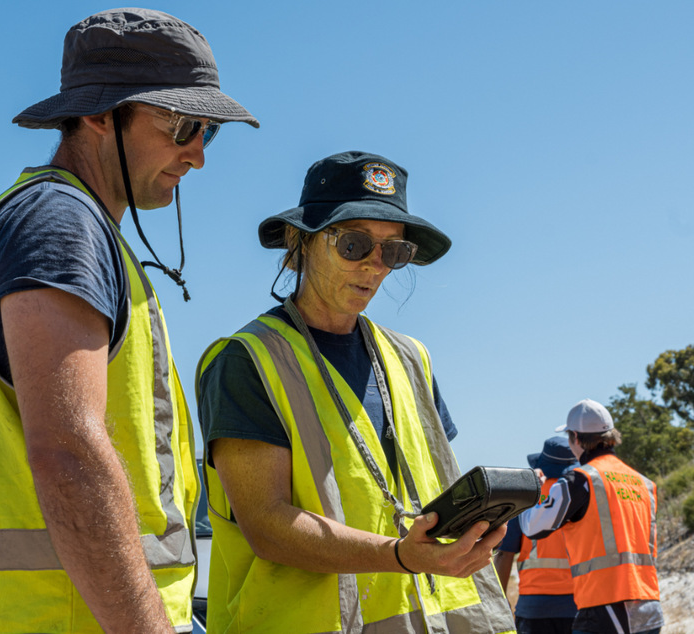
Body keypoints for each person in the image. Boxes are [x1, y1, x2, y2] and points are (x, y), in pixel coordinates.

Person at [0, 8, 258, 633]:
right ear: (100, 114)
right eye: (185, 125)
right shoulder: (60, 222)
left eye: (209, 133)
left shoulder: (70, 224)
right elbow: (67, 452)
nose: (198, 156)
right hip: (72, 618)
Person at [196, 151, 516, 633]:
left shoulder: (411, 358)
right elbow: (266, 525)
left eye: (394, 252)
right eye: (354, 244)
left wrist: (472, 526)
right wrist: (400, 557)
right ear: (299, 241)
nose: (375, 265)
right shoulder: (247, 360)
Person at [519, 399, 662, 634]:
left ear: (575, 437)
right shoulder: (643, 483)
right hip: (649, 604)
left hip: (605, 605)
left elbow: (533, 527)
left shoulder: (580, 480)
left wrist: (531, 491)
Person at [494, 437, 578, 634]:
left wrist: (499, 600)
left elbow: (505, 554)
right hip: (578, 603)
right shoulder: (581, 493)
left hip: (534, 606)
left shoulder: (528, 496)